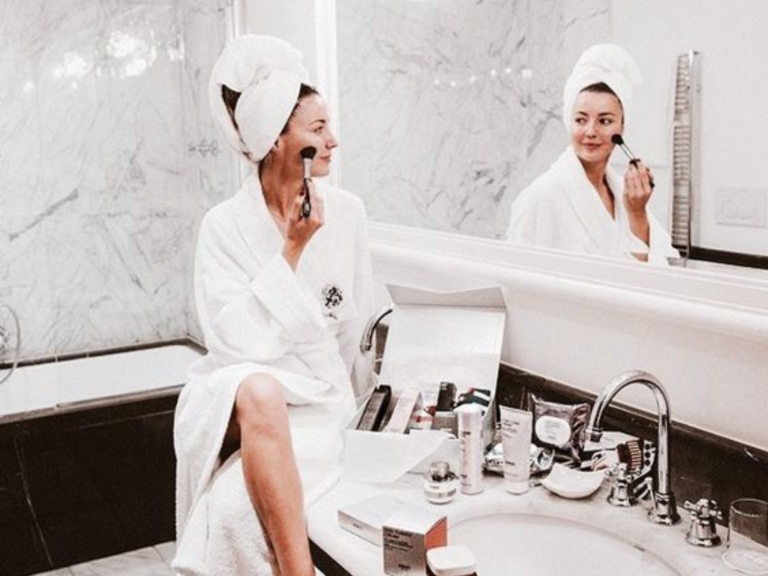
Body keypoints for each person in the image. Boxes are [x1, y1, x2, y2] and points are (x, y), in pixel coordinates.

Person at [173, 35, 373, 576]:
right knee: (259, 388)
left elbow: (354, 332)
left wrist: (362, 420)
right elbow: (231, 341)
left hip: (318, 396)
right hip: (239, 392)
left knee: (232, 508)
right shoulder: (223, 226)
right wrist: (292, 249)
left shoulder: (348, 213)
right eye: (318, 129)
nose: (333, 141)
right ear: (277, 138)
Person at [506, 44, 679, 264]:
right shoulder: (540, 197)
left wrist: (637, 213)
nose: (590, 131)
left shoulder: (624, 193)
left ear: (622, 127)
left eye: (605, 121)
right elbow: (515, 274)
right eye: (580, 120)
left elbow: (654, 271)